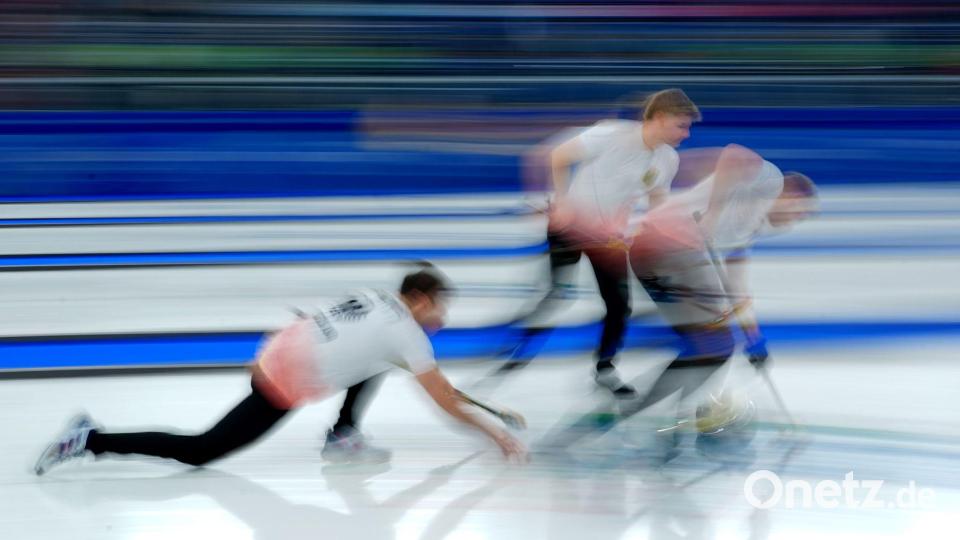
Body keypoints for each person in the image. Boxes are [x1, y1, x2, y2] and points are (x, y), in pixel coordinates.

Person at [35, 264, 526, 475]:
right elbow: (440, 396)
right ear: (418, 299)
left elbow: (322, 323)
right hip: (283, 380)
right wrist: (493, 433)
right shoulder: (408, 335)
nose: (442, 317)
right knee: (203, 451)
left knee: (377, 362)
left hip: (279, 350)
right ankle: (91, 438)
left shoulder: (377, 299)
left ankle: (343, 433)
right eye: (438, 306)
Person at [538, 144, 817, 453]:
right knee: (716, 345)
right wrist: (713, 211)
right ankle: (663, 421)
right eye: (798, 212)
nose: (795, 222)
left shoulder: (751, 229)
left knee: (708, 347)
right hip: (667, 246)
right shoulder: (771, 181)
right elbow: (733, 156)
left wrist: (754, 339)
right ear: (790, 196)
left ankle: (644, 416)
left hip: (655, 254)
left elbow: (736, 288)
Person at [500, 88, 701, 398]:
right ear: (660, 118)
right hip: (570, 227)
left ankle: (605, 368)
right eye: (681, 125)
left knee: (620, 305)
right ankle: (516, 351)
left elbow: (657, 206)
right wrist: (563, 203)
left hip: (608, 239)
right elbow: (558, 155)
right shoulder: (611, 134)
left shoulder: (667, 159)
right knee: (556, 295)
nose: (686, 134)